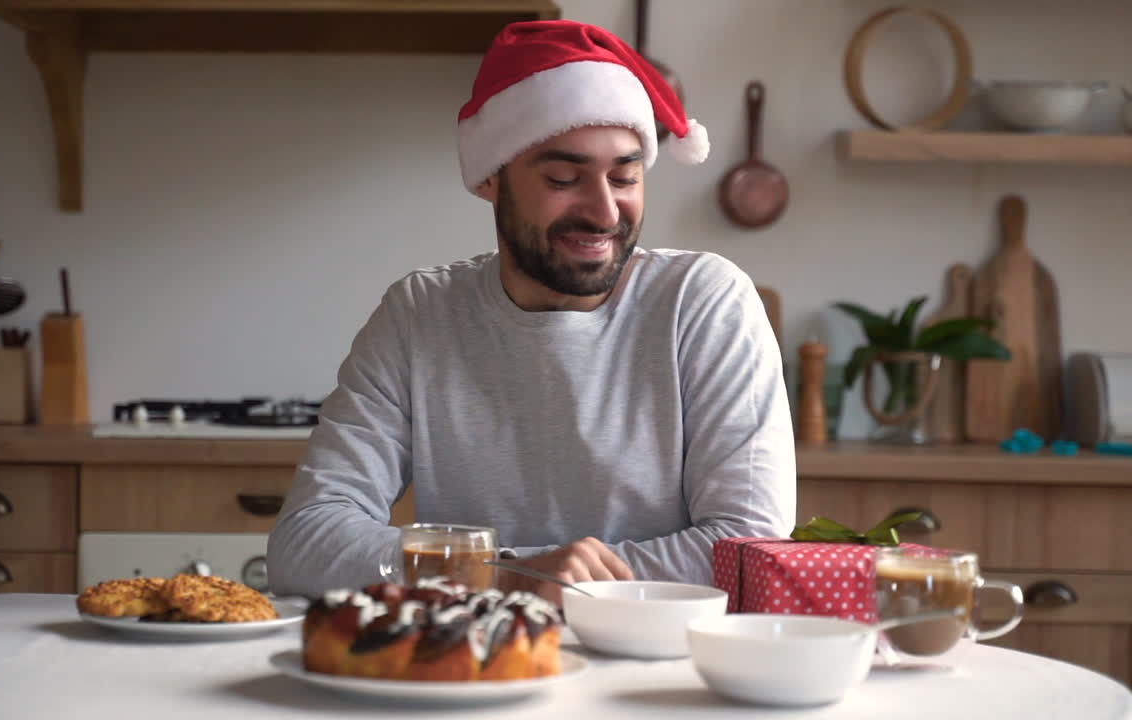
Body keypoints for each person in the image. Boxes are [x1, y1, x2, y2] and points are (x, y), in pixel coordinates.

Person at [267, 20, 795, 603]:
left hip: (661, 677)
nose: (603, 211)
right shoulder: (419, 315)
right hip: (477, 673)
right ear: (492, 178)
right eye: (565, 178)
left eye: (625, 177)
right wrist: (506, 576)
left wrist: (526, 580)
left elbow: (748, 549)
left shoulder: (703, 302)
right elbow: (304, 545)